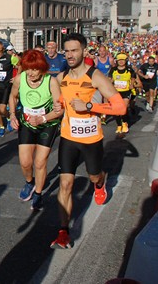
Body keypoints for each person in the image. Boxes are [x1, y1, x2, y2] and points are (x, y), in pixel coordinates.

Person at [50, 33, 126, 249]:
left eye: (74, 50)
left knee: (94, 176)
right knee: (65, 184)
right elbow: (60, 104)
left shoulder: (96, 77)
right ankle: (63, 231)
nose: (70, 54)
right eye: (67, 51)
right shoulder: (60, 77)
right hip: (68, 138)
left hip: (91, 139)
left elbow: (120, 107)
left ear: (84, 51)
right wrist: (58, 107)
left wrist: (91, 107)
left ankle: (100, 184)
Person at [8, 50, 64, 211]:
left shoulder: (51, 82)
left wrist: (43, 118)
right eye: (28, 69)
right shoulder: (20, 79)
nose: (31, 73)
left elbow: (59, 110)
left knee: (40, 162)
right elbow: (13, 97)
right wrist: (12, 115)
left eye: (35, 69)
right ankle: (29, 182)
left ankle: (38, 194)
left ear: (42, 68)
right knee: (25, 162)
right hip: (27, 123)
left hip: (47, 124)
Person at [108, 53, 140, 135]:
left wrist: (132, 84)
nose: (121, 62)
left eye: (123, 60)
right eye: (119, 60)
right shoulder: (113, 69)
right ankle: (119, 125)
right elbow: (110, 79)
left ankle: (124, 123)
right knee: (116, 110)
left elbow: (133, 78)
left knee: (123, 108)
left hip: (126, 92)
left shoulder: (129, 69)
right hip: (115, 92)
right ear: (117, 61)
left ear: (125, 61)